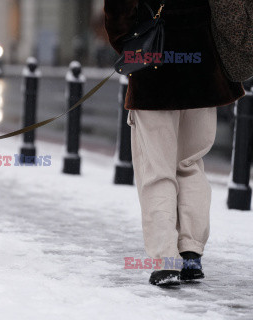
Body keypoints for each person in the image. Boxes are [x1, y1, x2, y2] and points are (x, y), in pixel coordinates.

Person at [104, 0, 245, 286]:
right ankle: (191, 252)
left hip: (154, 77)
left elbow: (118, 18)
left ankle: (167, 261)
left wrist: (137, 50)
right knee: (190, 164)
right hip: (202, 75)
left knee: (157, 172)